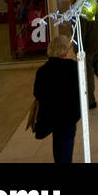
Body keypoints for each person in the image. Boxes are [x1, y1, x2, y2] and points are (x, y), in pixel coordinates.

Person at [32, 34, 81, 164]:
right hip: (69, 116)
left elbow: (37, 93)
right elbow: (80, 91)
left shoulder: (43, 71)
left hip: (52, 117)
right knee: (66, 147)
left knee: (58, 145)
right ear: (65, 50)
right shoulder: (73, 67)